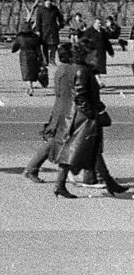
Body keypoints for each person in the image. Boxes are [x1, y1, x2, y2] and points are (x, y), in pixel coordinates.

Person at [50, 42, 128, 198]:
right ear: (86, 54)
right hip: (83, 118)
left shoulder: (78, 68)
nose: (96, 55)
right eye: (93, 53)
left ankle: (109, 182)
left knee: (87, 150)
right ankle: (61, 185)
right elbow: (80, 96)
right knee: (77, 150)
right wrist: (92, 113)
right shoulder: (82, 71)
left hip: (78, 115)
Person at [21, 43, 76, 183]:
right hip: (65, 110)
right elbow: (68, 94)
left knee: (52, 142)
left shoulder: (63, 69)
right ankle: (32, 169)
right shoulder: (68, 70)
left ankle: (31, 169)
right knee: (56, 141)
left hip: (60, 109)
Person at [11, 23, 44, 96]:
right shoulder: (35, 37)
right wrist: (41, 58)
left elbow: (15, 47)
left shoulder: (20, 37)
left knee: (26, 71)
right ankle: (30, 86)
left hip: (24, 56)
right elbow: (39, 49)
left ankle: (29, 86)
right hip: (34, 56)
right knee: (32, 72)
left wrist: (13, 50)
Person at [32, 0, 63, 66]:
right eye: (47, 1)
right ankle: (46, 60)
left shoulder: (55, 9)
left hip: (53, 30)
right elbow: (38, 21)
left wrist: (61, 25)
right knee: (44, 45)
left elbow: (60, 17)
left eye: (49, 1)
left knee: (54, 45)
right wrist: (37, 30)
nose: (48, 3)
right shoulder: (40, 9)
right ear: (44, 2)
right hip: (44, 30)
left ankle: (52, 59)